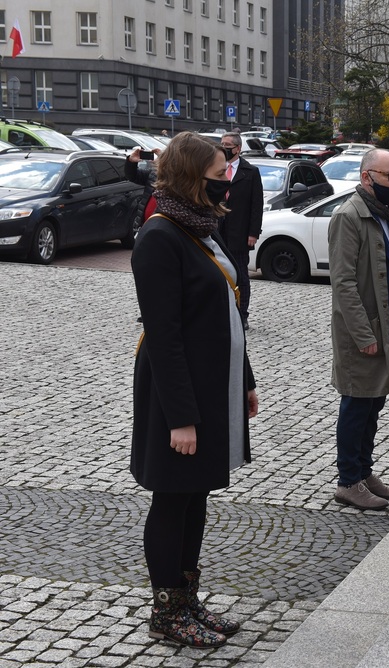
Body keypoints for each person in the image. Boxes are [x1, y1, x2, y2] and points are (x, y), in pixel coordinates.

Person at [130, 131, 259, 647]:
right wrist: (181, 417)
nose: (229, 183)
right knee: (172, 498)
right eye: (219, 176)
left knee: (196, 496)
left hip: (213, 385)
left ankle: (188, 601)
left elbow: (228, 310)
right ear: (191, 178)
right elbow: (165, 335)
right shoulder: (160, 236)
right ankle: (166, 612)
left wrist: (245, 379)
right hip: (176, 393)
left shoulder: (201, 227)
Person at [328, 148, 389, 510]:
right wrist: (364, 335)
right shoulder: (349, 216)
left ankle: (364, 473)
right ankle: (348, 481)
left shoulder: (384, 214)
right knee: (356, 405)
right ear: (367, 177)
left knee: (373, 405)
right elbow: (344, 283)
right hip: (364, 334)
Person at [217, 131, 263, 330]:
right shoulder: (215, 168)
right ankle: (221, 312)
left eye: (228, 144)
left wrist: (253, 233)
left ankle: (242, 314)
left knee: (241, 276)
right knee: (218, 275)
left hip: (239, 233)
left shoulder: (250, 172)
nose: (224, 147)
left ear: (237, 148)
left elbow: (256, 205)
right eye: (222, 144)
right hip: (217, 232)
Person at [125, 147, 162, 222]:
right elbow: (132, 176)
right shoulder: (154, 174)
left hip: (161, 229)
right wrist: (131, 162)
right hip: (144, 225)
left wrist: (163, 163)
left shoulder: (180, 180)